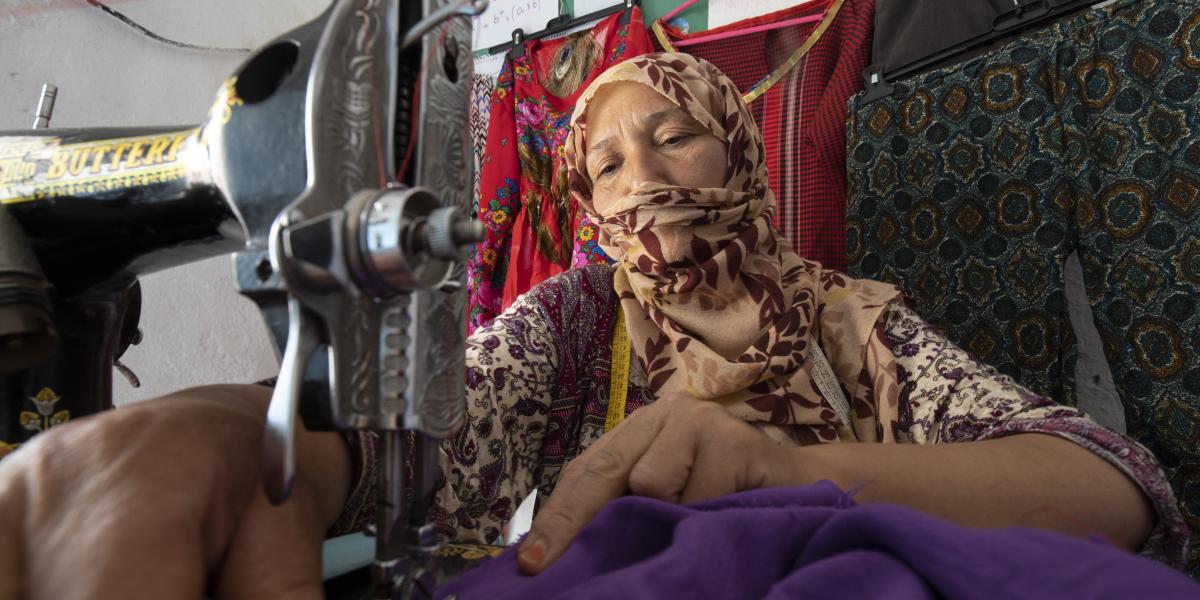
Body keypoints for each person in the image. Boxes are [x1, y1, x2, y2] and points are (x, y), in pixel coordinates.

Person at [0, 53, 1186, 598]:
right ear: (585, 205)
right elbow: (428, 432)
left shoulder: (846, 318)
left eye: (675, 135)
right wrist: (232, 440)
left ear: (738, 148)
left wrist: (790, 468)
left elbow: (1110, 485)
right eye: (606, 165)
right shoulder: (572, 324)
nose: (642, 177)